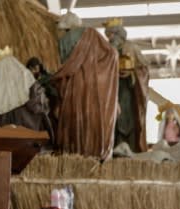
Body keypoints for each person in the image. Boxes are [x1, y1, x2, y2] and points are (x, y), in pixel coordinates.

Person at [51, 12, 118, 160]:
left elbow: (66, 63)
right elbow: (112, 53)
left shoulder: (66, 39)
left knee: (74, 117)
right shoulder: (92, 34)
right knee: (92, 117)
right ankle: (93, 153)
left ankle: (74, 154)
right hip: (94, 84)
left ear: (65, 27)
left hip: (75, 83)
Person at [103, 18, 149, 154]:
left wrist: (132, 72)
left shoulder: (131, 48)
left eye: (111, 34)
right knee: (112, 119)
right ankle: (113, 147)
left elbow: (144, 68)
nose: (109, 38)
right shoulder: (106, 49)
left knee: (126, 117)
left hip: (128, 88)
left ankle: (129, 147)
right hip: (110, 90)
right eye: (108, 35)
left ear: (118, 34)